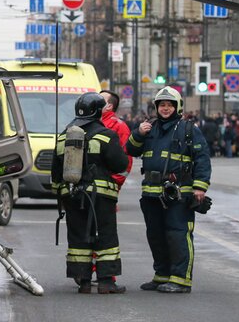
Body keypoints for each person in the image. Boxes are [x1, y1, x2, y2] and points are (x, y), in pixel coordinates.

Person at [127, 86, 211, 294]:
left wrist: (200, 187)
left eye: (169, 105)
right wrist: (138, 133)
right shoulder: (149, 128)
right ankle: (162, 274)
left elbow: (202, 159)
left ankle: (181, 279)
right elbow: (130, 150)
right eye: (162, 105)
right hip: (151, 193)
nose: (165, 108)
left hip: (178, 193)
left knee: (178, 234)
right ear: (156, 107)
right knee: (155, 235)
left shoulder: (188, 129)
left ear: (178, 107)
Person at [51, 92, 129, 294]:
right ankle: (106, 282)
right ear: (97, 111)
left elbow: (55, 173)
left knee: (78, 238)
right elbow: (120, 164)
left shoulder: (63, 136)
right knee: (105, 237)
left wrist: (63, 196)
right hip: (100, 197)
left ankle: (83, 281)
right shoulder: (106, 135)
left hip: (72, 195)